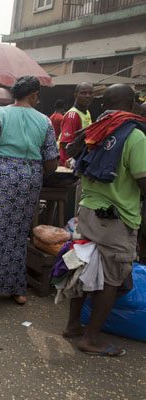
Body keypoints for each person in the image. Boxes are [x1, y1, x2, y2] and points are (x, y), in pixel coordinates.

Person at [63, 84, 146, 357]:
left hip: (86, 210)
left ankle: (73, 324)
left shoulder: (94, 130)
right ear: (132, 105)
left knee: (82, 267)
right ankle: (91, 338)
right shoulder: (134, 136)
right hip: (116, 219)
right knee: (111, 278)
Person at [0, 76, 59, 311]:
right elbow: (51, 164)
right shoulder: (45, 121)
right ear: (35, 95)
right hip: (30, 180)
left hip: (1, 178)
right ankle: (16, 290)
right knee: (17, 234)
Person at [59, 83, 93, 166]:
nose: (87, 96)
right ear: (75, 95)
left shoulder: (87, 113)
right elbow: (65, 144)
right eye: (83, 93)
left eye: (90, 93)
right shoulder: (72, 115)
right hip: (68, 164)